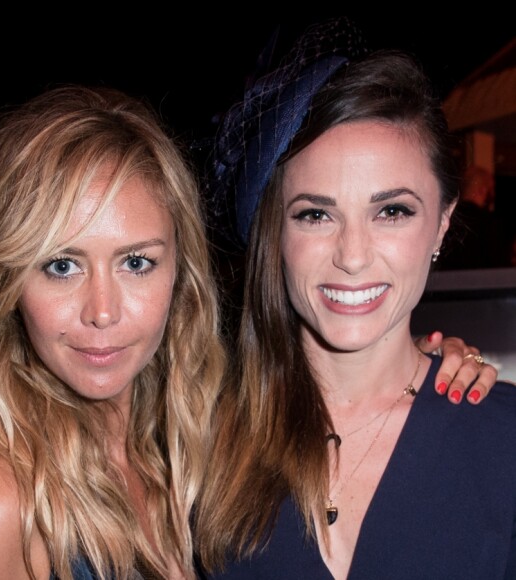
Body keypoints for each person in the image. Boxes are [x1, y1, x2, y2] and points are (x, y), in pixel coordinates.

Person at [194, 19, 516, 579]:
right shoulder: (192, 438)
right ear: (277, 232)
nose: (353, 254)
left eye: (392, 211)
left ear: (442, 223)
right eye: (315, 214)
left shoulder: (504, 440)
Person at [0, 85, 226, 579]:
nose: (103, 312)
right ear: (8, 281)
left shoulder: (174, 457)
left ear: (182, 272)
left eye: (136, 262)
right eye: (62, 265)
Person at [438, 163, 512, 269]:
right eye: (491, 189)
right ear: (483, 190)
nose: (493, 195)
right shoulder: (490, 223)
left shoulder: (446, 219)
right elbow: (500, 267)